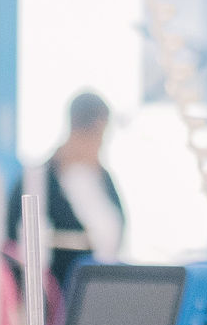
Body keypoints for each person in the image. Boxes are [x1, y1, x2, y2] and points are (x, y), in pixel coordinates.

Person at [12, 90, 126, 298]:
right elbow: (17, 248)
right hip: (59, 302)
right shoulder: (37, 182)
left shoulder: (102, 178)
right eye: (95, 135)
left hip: (104, 294)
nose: (99, 144)